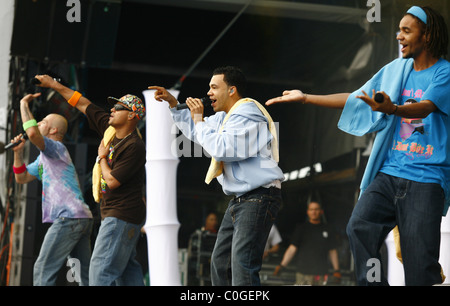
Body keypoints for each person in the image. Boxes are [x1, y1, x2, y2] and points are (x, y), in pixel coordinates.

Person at [266, 6, 450, 286]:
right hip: (389, 173)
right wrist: (305, 98)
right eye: (398, 29)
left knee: (420, 263)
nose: (398, 36)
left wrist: (393, 108)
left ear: (427, 36)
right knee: (360, 226)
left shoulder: (444, 73)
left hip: (426, 178)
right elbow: (356, 98)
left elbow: (425, 108)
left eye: (406, 31)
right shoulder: (396, 69)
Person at [149, 66, 284, 286]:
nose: (209, 92)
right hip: (242, 199)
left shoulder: (248, 113)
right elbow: (196, 132)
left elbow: (222, 149)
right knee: (220, 264)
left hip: (259, 196)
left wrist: (200, 120)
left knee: (242, 265)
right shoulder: (224, 117)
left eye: (214, 87)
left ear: (232, 90)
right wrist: (175, 105)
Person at [35, 75, 146, 286]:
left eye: (119, 107)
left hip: (121, 215)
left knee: (100, 270)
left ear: (132, 115)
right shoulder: (110, 130)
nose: (112, 110)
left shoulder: (134, 145)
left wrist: (102, 157)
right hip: (121, 214)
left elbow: (112, 181)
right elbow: (82, 103)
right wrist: (52, 84)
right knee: (127, 270)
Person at [11, 92, 93, 286]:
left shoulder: (56, 148)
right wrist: (18, 153)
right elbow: (21, 177)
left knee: (43, 268)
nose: (39, 122)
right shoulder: (44, 159)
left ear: (54, 130)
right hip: (80, 217)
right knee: (85, 277)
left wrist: (24, 104)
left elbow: (32, 133)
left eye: (44, 121)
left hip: (69, 217)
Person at [273, 201, 340, 285]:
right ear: (308, 212)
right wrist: (282, 265)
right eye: (311, 209)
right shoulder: (301, 229)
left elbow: (332, 251)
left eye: (316, 209)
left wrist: (336, 270)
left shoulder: (328, 229)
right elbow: (292, 249)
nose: (314, 212)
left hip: (321, 274)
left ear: (321, 211)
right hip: (303, 273)